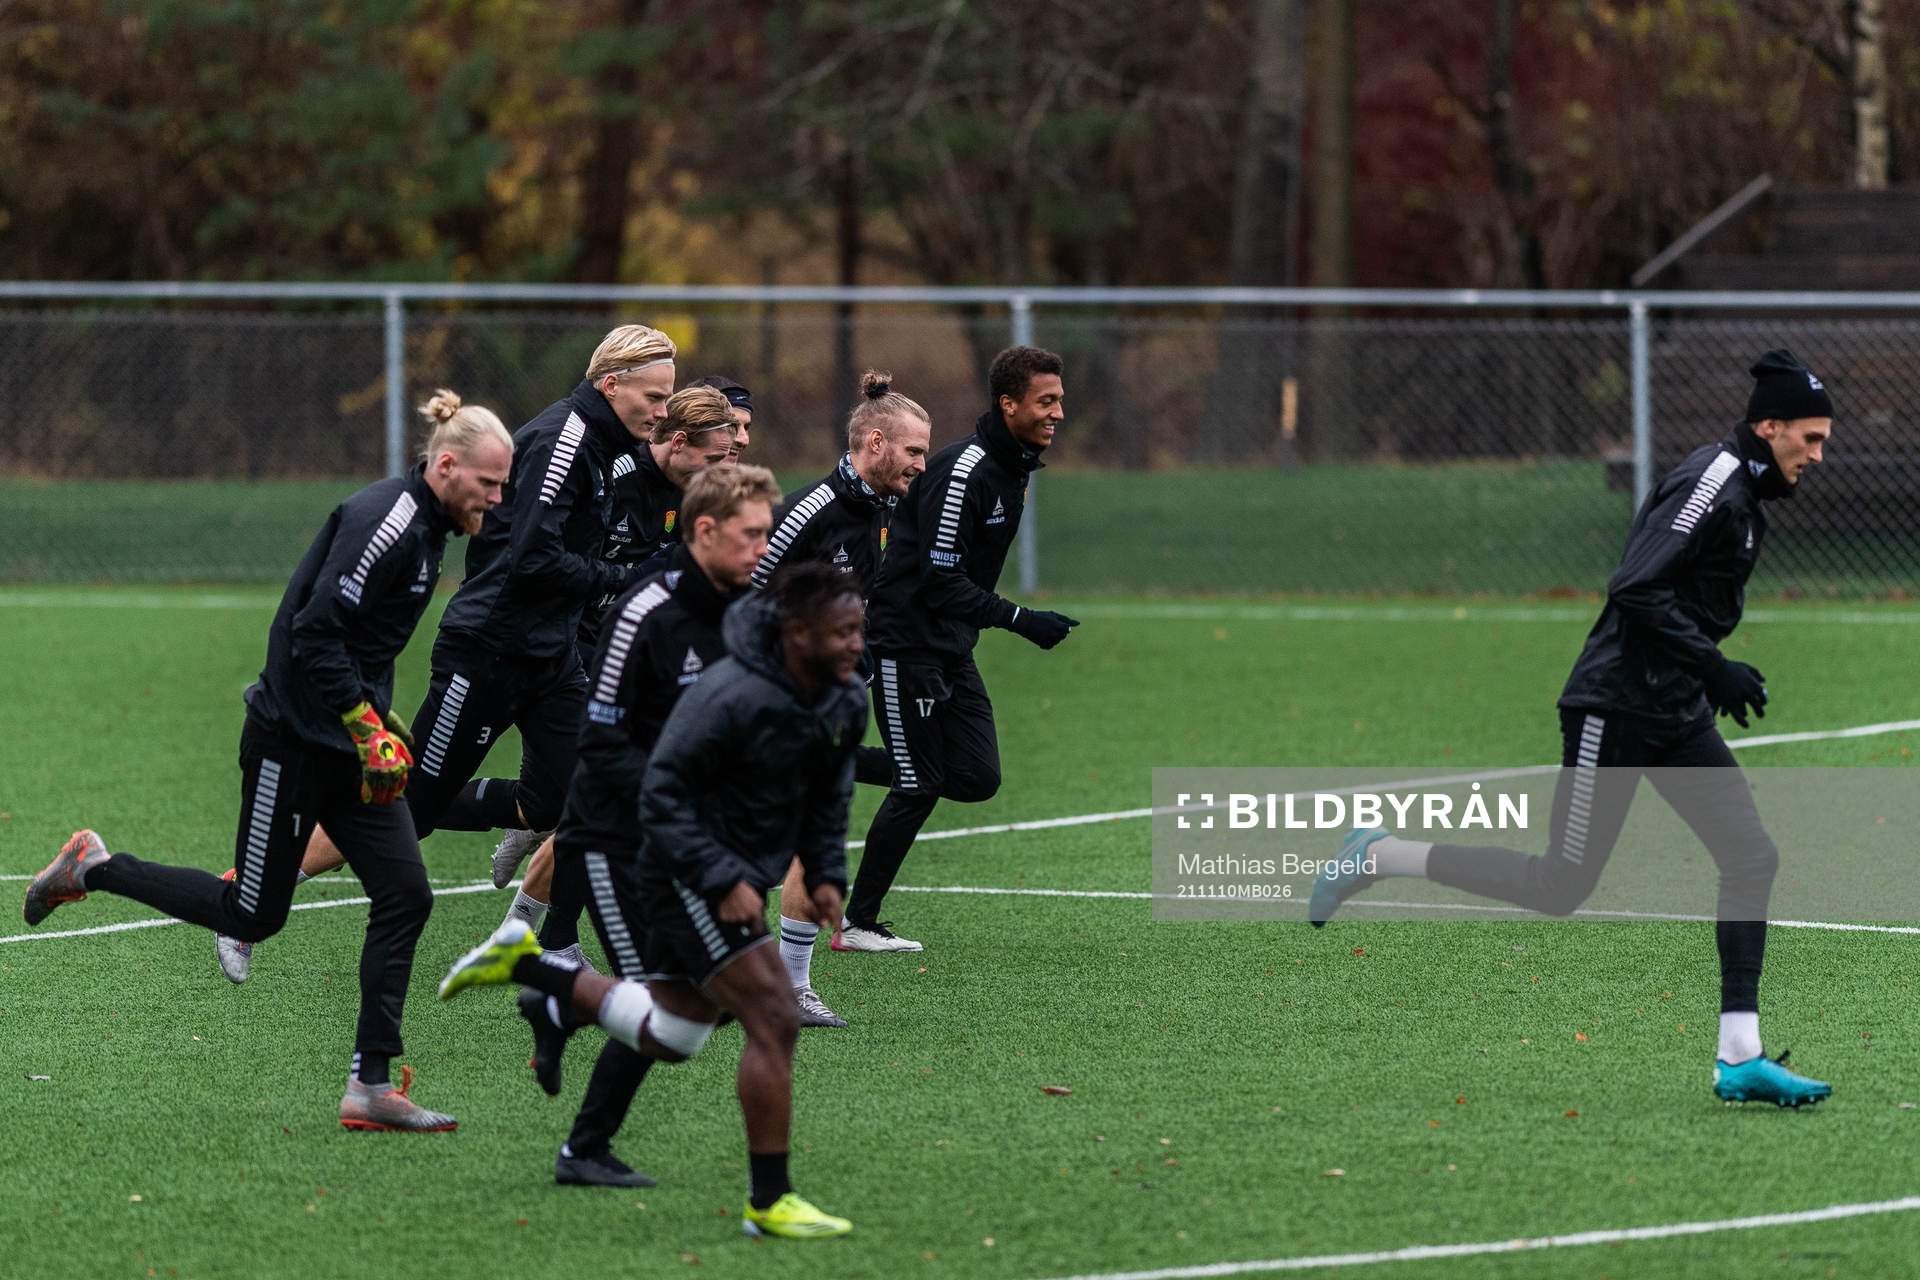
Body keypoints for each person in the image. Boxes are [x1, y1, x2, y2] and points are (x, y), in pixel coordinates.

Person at [1310, 349, 1836, 1110]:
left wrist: (1699, 674)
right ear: (1770, 426)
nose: (1818, 455)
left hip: (1674, 708)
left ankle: (1739, 1055)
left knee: (1750, 855)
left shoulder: (1747, 492)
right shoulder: (1713, 481)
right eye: (1810, 439)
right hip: (1614, 706)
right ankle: (1383, 854)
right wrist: (1713, 663)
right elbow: (1633, 587)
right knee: (1563, 884)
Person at [25, 391, 514, 1130]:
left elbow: (361, 645)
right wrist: (361, 720)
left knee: (406, 894)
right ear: (447, 465)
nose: (499, 499)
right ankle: (93, 867)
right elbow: (315, 631)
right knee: (254, 910)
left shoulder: (432, 530)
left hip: (348, 750)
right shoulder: (387, 522)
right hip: (290, 742)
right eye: (490, 484)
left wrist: (384, 722)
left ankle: (370, 1087)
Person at [439, 561, 867, 1239]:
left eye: (859, 631)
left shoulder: (844, 696)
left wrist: (825, 876)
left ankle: (540, 976)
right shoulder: (732, 693)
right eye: (841, 633)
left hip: (724, 869)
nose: (855, 645)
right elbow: (661, 793)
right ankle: (769, 1201)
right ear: (797, 633)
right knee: (774, 1012)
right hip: (672, 867)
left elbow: (828, 795)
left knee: (677, 1030)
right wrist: (719, 876)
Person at [538, 462, 779, 1189]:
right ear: (703, 532)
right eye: (750, 535)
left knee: (706, 1005)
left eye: (768, 534)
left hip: (692, 840)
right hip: (617, 838)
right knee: (670, 1009)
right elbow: (602, 742)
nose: (763, 549)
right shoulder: (646, 608)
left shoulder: (746, 609)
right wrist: (675, 805)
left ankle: (562, 1001)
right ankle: (583, 1144)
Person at [840, 346, 1080, 952]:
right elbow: (941, 578)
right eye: (1046, 401)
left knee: (975, 777)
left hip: (950, 644)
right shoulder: (967, 470)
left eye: (1059, 399)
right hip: (904, 642)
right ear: (1009, 404)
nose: (1058, 412)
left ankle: (825, 762)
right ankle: (856, 923)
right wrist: (1023, 620)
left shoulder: (1014, 468)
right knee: (919, 785)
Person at [489, 383, 741, 938]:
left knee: (572, 802)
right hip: (567, 651)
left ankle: (541, 924)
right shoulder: (613, 478)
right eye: (724, 445)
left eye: (739, 441)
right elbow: (548, 563)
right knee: (604, 798)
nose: (733, 454)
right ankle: (547, 931)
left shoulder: (698, 494)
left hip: (629, 655)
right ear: (678, 442)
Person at [750, 369, 929, 1013]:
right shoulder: (810, 511)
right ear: (875, 443)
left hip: (824, 702)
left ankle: (790, 983)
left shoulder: (881, 507)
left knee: (814, 832)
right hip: (774, 696)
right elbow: (745, 590)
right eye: (913, 451)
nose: (921, 463)